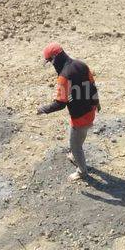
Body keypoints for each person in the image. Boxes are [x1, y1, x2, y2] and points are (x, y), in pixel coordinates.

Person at [37, 43, 101, 182]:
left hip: (79, 117)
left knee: (75, 144)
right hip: (91, 110)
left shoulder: (64, 77)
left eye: (50, 61)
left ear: (55, 58)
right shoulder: (82, 65)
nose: (51, 64)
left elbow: (60, 104)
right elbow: (92, 85)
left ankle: (82, 171)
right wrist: (97, 103)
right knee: (80, 135)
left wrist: (43, 109)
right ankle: (74, 156)